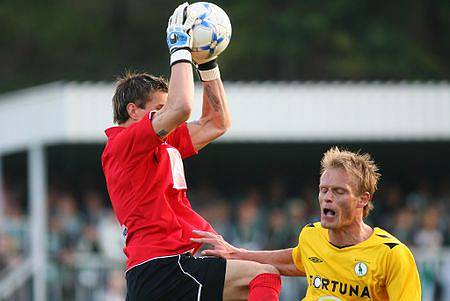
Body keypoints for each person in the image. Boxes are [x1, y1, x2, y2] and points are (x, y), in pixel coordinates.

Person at [101, 3, 281, 301]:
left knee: (260, 277)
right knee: (264, 275)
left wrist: (207, 64)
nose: (166, 117)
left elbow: (217, 122)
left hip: (166, 268)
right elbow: (182, 106)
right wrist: (179, 47)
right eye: (159, 110)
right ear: (133, 111)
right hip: (163, 266)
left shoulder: (162, 143)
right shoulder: (124, 143)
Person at [192, 147, 422, 300]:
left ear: (363, 199)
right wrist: (236, 253)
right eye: (324, 190)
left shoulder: (392, 255)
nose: (327, 197)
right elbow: (293, 261)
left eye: (339, 191)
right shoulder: (312, 235)